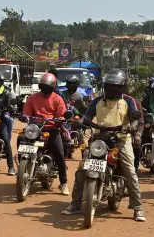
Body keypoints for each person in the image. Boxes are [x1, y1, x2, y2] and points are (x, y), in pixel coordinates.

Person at [62, 69, 145, 222]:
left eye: (115, 87)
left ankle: (138, 208)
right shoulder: (97, 100)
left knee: (130, 171)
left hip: (121, 139)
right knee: (82, 168)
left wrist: (133, 124)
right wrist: (81, 121)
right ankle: (75, 204)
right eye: (109, 86)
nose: (111, 89)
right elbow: (87, 115)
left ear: (121, 87)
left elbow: (135, 116)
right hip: (99, 138)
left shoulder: (128, 101)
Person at [22, 72, 70, 195]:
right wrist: (25, 117)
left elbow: (61, 115)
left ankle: (63, 183)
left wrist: (60, 120)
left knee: (59, 153)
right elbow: (26, 113)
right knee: (20, 140)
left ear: (53, 87)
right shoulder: (32, 98)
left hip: (52, 129)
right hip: (35, 129)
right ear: (40, 86)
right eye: (43, 86)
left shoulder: (58, 99)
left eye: (48, 87)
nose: (45, 89)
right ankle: (24, 167)